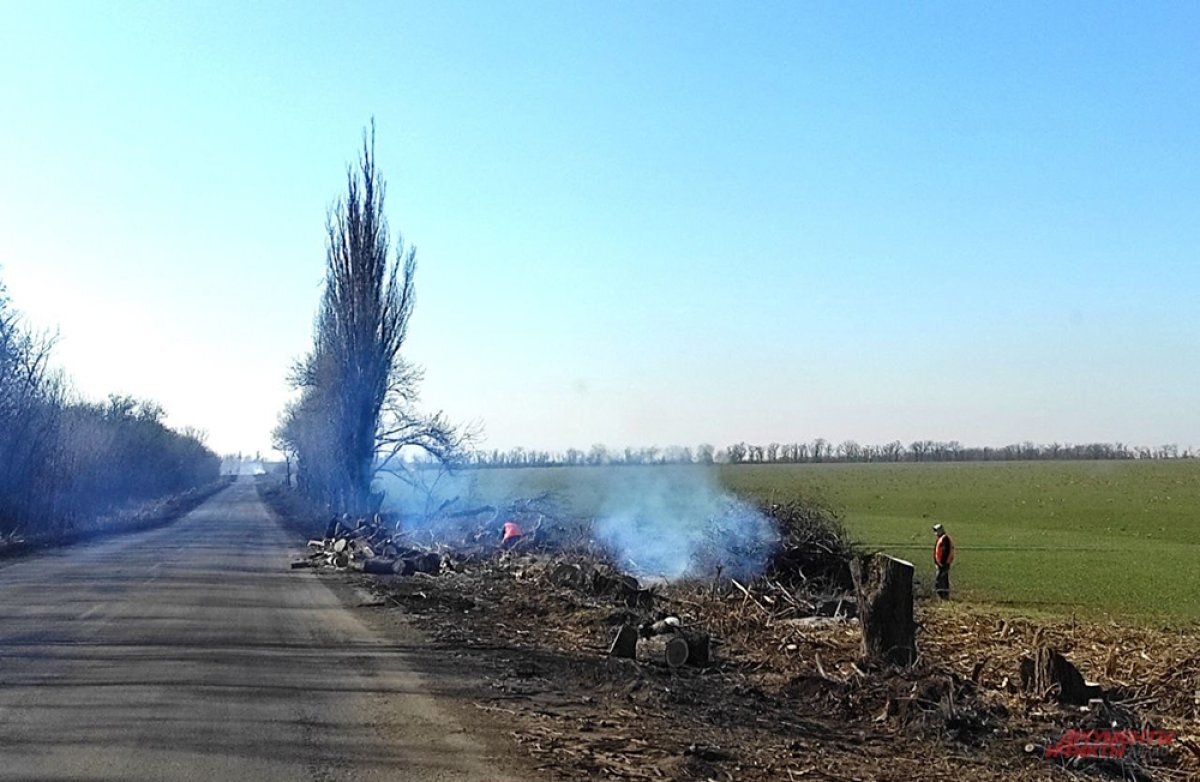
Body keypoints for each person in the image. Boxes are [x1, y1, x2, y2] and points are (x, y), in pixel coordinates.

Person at [932, 523, 954, 599]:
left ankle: (942, 596)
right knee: (943, 579)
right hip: (941, 563)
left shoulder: (944, 539)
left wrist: (941, 563)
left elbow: (945, 552)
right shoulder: (942, 538)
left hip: (943, 564)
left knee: (940, 580)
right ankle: (943, 596)